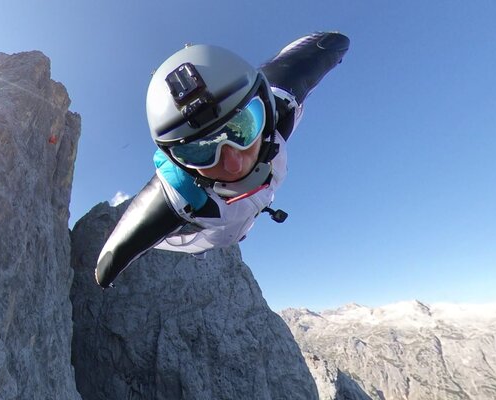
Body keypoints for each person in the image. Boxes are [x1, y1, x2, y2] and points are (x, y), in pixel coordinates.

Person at [95, 32, 350, 288]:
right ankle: (198, 247)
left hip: (227, 222)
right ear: (179, 162)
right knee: (197, 240)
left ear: (265, 106)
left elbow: (320, 49)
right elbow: (114, 254)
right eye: (199, 150)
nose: (233, 164)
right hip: (208, 233)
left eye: (242, 127)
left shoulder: (280, 107)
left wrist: (332, 47)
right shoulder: (177, 196)